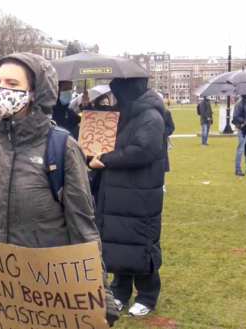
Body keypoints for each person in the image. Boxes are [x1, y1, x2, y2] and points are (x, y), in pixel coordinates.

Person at [0, 53, 119, 327]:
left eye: (12, 83)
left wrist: (102, 295)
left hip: (46, 295)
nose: (2, 90)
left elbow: (84, 229)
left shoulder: (62, 148)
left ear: (35, 93)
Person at [89, 77, 165, 317]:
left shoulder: (151, 116)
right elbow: (106, 143)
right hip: (115, 190)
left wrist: (106, 160)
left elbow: (143, 151)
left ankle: (147, 295)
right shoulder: (121, 114)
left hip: (140, 191)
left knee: (141, 243)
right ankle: (119, 292)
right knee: (117, 243)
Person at [163, 109, 175, 193]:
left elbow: (171, 126)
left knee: (162, 163)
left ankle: (162, 184)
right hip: (147, 141)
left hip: (161, 143)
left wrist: (165, 134)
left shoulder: (166, 112)